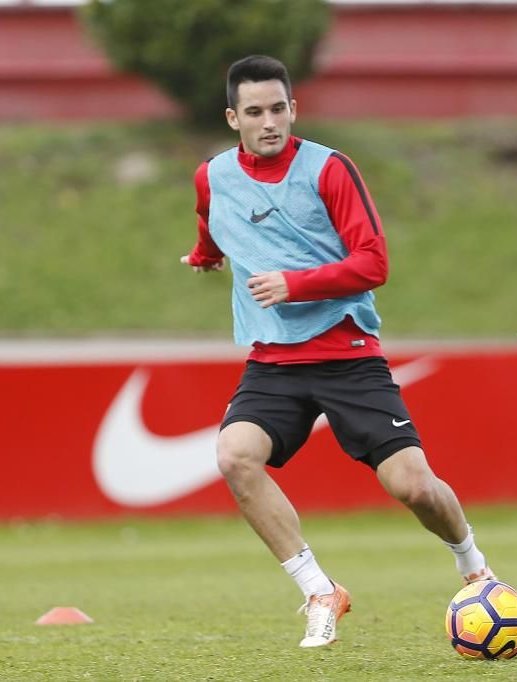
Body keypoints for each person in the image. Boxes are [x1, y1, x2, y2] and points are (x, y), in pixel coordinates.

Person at [181, 55, 494, 649]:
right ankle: (319, 589)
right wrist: (205, 255)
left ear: (293, 109)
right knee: (234, 457)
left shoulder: (328, 169)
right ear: (232, 118)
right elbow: (209, 218)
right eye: (255, 112)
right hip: (273, 361)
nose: (269, 121)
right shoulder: (213, 175)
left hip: (347, 354)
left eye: (278, 108)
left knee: (415, 488)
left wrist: (292, 284)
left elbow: (374, 262)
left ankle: (474, 565)